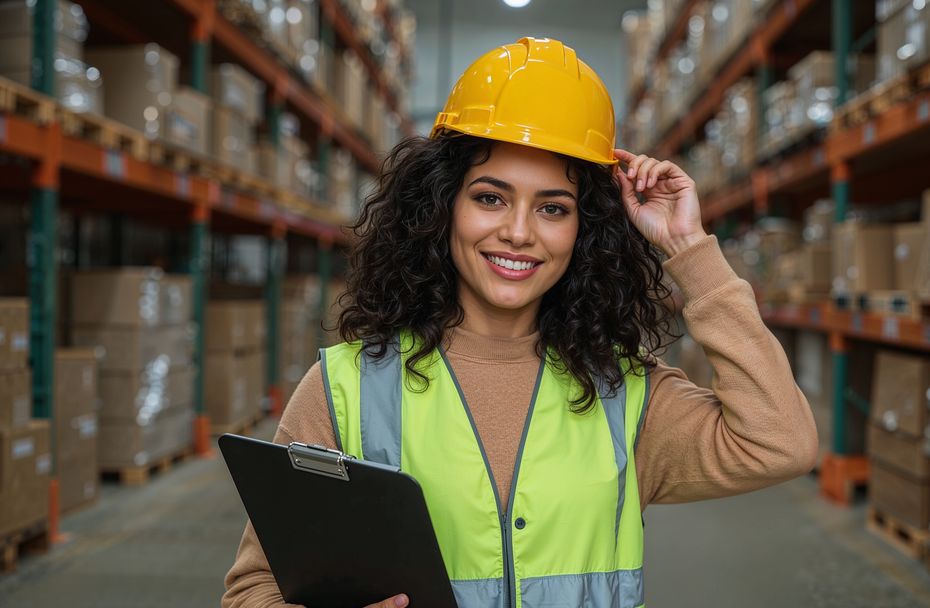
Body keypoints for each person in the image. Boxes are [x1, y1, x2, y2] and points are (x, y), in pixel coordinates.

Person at [222, 37, 817, 608]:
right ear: (441, 205)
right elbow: (255, 589)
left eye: (553, 208)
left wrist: (690, 248)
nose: (519, 232)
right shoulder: (346, 390)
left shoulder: (626, 395)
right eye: (490, 197)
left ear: (584, 231)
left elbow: (780, 443)